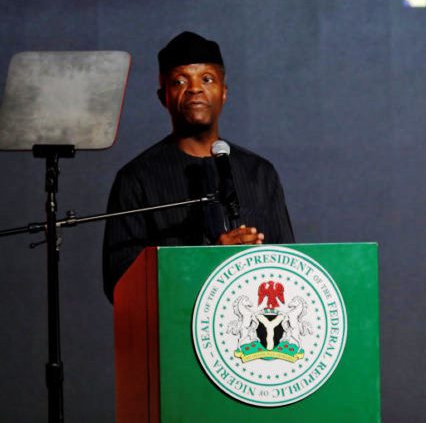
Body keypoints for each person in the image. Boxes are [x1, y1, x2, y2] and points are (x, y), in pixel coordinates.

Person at [102, 31, 295, 302]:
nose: (194, 88)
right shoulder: (136, 178)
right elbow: (119, 282)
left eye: (207, 79)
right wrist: (207, 262)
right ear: (163, 96)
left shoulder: (260, 173)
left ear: (224, 92)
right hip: (173, 332)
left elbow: (291, 266)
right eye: (180, 81)